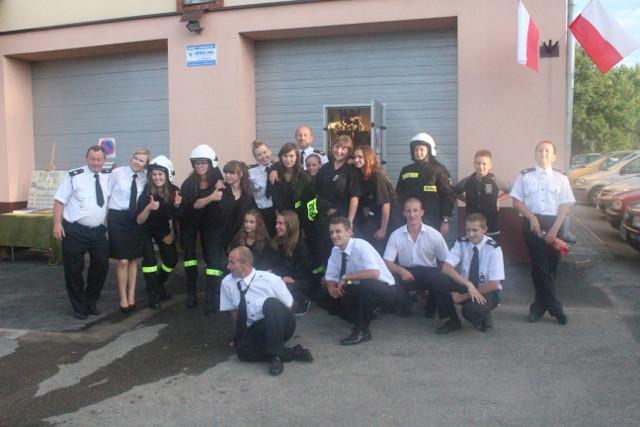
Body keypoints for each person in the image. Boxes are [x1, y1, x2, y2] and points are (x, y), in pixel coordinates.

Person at [220, 247, 313, 376]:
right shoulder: (227, 283)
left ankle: (276, 358)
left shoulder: (270, 279)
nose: (228, 267)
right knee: (242, 352)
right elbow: (234, 312)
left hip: (281, 325)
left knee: (270, 303)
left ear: (245, 264)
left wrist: (274, 324)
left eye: (232, 263)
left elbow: (289, 305)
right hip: (257, 328)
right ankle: (293, 352)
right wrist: (241, 336)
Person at [510, 140, 575, 325]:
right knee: (540, 265)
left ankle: (539, 306)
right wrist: (531, 217)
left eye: (547, 151)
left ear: (554, 156)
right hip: (533, 225)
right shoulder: (525, 176)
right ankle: (556, 308)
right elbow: (516, 201)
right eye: (540, 150)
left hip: (555, 224)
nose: (543, 153)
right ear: (535, 154)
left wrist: (555, 229)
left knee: (551, 267)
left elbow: (565, 205)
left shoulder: (561, 178)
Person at [53, 145, 111, 319]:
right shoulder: (73, 176)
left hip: (98, 231)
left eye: (99, 159)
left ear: (104, 160)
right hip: (75, 230)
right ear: (86, 158)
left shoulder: (109, 176)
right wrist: (57, 223)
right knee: (74, 269)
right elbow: (59, 201)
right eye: (92, 159)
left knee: (101, 265)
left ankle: (90, 301)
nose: (95, 162)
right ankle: (79, 306)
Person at [324, 216, 396, 345]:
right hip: (358, 287)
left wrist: (346, 278)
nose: (334, 236)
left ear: (349, 232)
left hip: (385, 289)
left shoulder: (361, 246)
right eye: (331, 232)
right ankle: (362, 314)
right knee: (323, 293)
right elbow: (330, 277)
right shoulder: (335, 251)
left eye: (338, 231)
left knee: (366, 284)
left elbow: (374, 273)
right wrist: (331, 289)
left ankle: (362, 330)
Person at [431, 213, 505, 334]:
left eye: (475, 230)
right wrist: (468, 285)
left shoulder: (493, 248)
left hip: (487, 290)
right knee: (438, 278)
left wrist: (463, 297)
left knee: (470, 311)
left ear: (484, 230)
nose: (470, 234)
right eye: (468, 230)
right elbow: (446, 267)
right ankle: (452, 320)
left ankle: (484, 315)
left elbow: (493, 284)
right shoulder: (462, 242)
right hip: (466, 285)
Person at [383, 198, 449, 318]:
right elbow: (387, 261)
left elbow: (446, 260)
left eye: (415, 210)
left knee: (439, 279)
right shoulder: (396, 235)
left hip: (429, 271)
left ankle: (431, 309)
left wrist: (441, 274)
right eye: (408, 211)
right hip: (406, 271)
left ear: (421, 212)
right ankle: (406, 306)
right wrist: (401, 271)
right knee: (390, 278)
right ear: (404, 213)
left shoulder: (434, 234)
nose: (412, 214)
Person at [179, 144, 224, 310]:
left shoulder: (219, 179)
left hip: (211, 224)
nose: (200, 166)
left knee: (213, 260)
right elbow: (194, 205)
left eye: (204, 162)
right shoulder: (188, 183)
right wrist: (211, 197)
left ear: (211, 163)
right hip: (189, 222)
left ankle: (212, 296)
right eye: (197, 163)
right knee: (190, 259)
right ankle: (191, 292)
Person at [107, 148, 150, 312]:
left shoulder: (146, 177)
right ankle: (123, 298)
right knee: (123, 260)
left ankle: (131, 296)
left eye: (142, 160)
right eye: (136, 158)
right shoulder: (117, 173)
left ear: (146, 164)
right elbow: (106, 194)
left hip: (135, 219)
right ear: (131, 158)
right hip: (117, 218)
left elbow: (165, 180)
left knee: (133, 260)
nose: (137, 162)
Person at [136, 155, 181, 310]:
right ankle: (153, 294)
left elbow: (177, 217)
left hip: (164, 230)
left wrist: (173, 233)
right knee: (150, 262)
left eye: (160, 174)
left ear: (168, 174)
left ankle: (158, 283)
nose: (157, 177)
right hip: (145, 230)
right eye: (154, 174)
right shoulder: (146, 192)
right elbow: (139, 220)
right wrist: (149, 208)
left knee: (171, 260)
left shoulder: (175, 191)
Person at [396, 132, 455, 235]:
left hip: (432, 220)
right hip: (409, 220)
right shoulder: (406, 170)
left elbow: (447, 196)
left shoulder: (439, 170)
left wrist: (445, 221)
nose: (418, 152)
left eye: (421, 149)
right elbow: (398, 196)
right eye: (416, 150)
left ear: (429, 150)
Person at [353, 145, 403, 253]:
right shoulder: (363, 175)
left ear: (368, 157)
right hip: (375, 218)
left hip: (389, 221)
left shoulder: (377, 176)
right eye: (354, 157)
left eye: (360, 157)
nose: (356, 160)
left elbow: (386, 204)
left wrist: (383, 229)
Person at [455, 149, 509, 239]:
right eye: (478, 163)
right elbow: (455, 191)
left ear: (490, 165)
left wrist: (498, 200)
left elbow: (511, 191)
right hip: (472, 225)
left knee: (490, 246)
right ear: (474, 164)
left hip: (490, 225)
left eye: (484, 164)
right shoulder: (467, 180)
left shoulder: (495, 180)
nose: (481, 166)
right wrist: (466, 201)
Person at [271, 211, 313, 315]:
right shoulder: (275, 242)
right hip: (282, 276)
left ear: (290, 225)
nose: (277, 226)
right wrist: (280, 276)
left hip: (299, 278)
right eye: (276, 223)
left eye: (281, 223)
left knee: (285, 288)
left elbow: (303, 269)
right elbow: (274, 264)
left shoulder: (300, 246)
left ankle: (302, 301)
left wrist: (285, 277)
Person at [315, 135, 362, 225]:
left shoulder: (351, 170)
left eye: (343, 148)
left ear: (349, 151)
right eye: (337, 147)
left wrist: (350, 221)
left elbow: (354, 197)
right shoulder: (325, 167)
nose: (339, 151)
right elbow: (317, 192)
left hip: (343, 216)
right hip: (324, 216)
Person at [248, 140, 276, 235]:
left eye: (265, 152)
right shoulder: (250, 172)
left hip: (277, 211)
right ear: (255, 157)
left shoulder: (278, 168)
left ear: (270, 151)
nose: (263, 156)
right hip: (261, 211)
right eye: (259, 155)